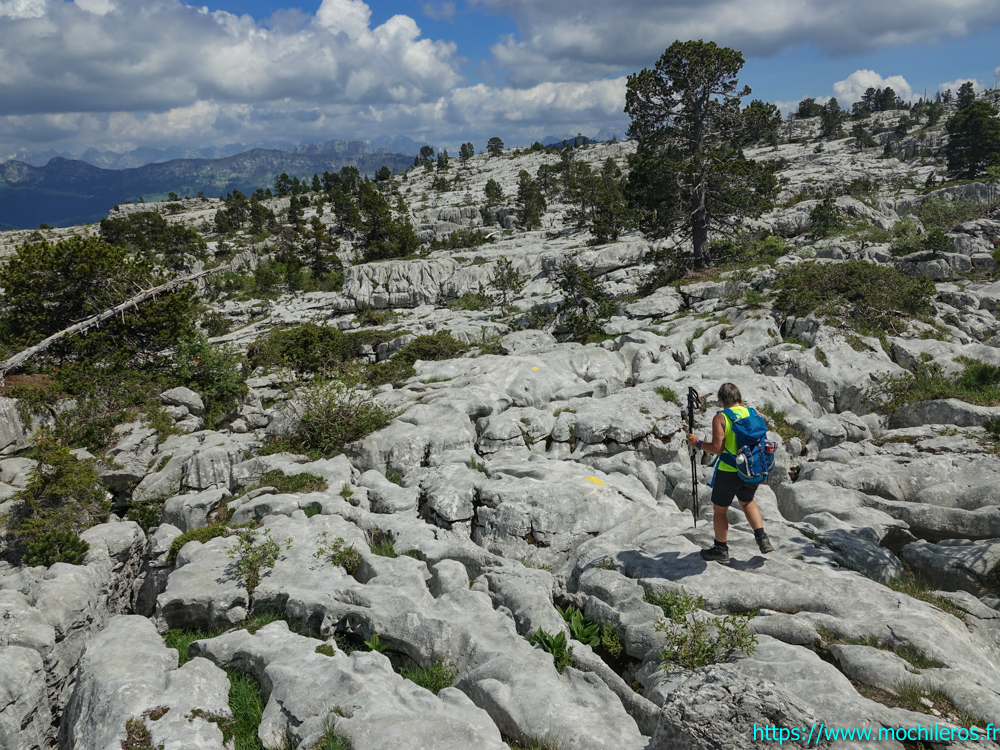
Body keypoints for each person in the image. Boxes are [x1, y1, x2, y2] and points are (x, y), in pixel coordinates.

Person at [685, 383, 773, 563]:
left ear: (722, 401)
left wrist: (698, 443)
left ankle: (721, 549)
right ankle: (763, 539)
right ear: (740, 398)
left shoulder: (721, 417)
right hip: (752, 469)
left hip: (729, 472)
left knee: (720, 510)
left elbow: (717, 449)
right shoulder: (752, 413)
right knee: (747, 501)